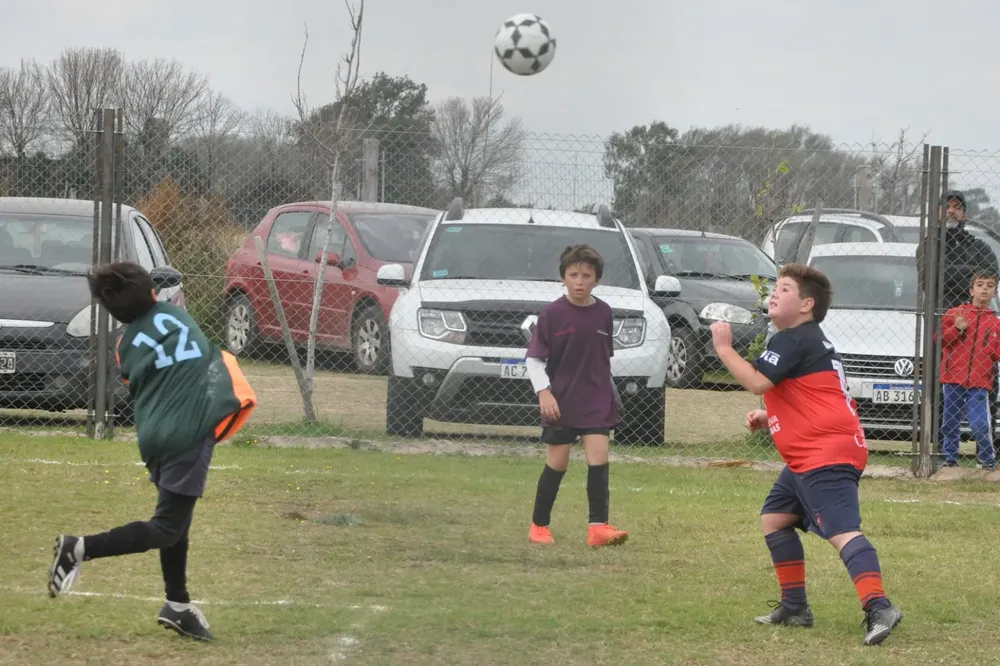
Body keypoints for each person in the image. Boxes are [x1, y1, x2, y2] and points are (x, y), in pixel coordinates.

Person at [47, 261, 258, 641]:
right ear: (152, 293)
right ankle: (79, 548)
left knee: (177, 520)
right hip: (188, 434)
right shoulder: (178, 316)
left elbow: (132, 376)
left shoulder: (124, 346)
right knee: (167, 527)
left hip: (155, 435)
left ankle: (177, 606)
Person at [710, 263, 903, 646]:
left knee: (843, 532)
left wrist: (723, 348)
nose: (774, 294)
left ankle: (879, 606)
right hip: (816, 449)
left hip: (824, 453)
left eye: (784, 288)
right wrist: (772, 416)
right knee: (776, 519)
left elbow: (756, 382)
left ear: (806, 304)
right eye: (775, 288)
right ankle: (795, 607)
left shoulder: (793, 338)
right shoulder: (806, 340)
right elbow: (818, 395)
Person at [524, 244, 629, 548]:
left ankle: (598, 528)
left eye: (587, 275)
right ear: (563, 278)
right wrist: (544, 392)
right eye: (573, 274)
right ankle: (539, 526)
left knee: (599, 460)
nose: (580, 281)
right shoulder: (553, 314)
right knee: (558, 463)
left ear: (597, 279)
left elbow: (602, 359)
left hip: (596, 400)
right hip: (561, 402)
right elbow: (534, 359)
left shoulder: (604, 313)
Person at [939, 270, 1000, 470]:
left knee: (981, 423)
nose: (985, 289)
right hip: (953, 377)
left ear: (995, 292)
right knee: (950, 421)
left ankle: (986, 459)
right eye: (981, 285)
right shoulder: (956, 313)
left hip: (980, 381)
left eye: (990, 286)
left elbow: (996, 352)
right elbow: (941, 340)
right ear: (971, 290)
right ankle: (949, 459)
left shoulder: (995, 322)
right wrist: (958, 329)